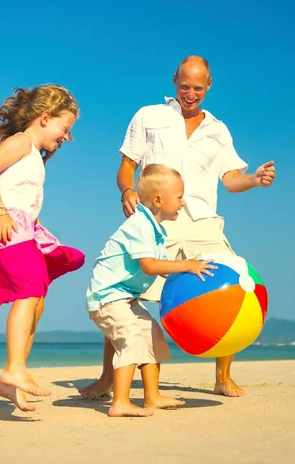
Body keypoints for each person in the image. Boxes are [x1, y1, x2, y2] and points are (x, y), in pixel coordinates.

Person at [79, 55, 276, 400]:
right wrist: (126, 191)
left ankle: (222, 377)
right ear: (174, 81)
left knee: (230, 286)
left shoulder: (218, 130)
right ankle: (107, 378)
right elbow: (126, 168)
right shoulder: (148, 116)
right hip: (157, 220)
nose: (190, 93)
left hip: (203, 220)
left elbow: (230, 179)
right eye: (185, 86)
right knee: (126, 295)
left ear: (209, 86)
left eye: (198, 88)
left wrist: (254, 179)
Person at [0, 84, 85, 412]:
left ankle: (11, 379)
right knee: (29, 289)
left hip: (22, 227)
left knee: (36, 299)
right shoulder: (21, 142)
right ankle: (14, 368)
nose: (66, 137)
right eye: (64, 129)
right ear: (45, 117)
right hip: (3, 223)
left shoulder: (35, 155)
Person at [86, 164, 217, 417]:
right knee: (131, 339)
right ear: (158, 200)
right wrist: (187, 265)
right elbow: (149, 266)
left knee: (152, 334)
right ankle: (120, 402)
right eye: (179, 197)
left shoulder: (155, 229)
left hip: (126, 297)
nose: (183, 202)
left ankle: (152, 396)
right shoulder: (140, 225)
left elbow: (163, 268)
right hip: (108, 297)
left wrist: (192, 272)